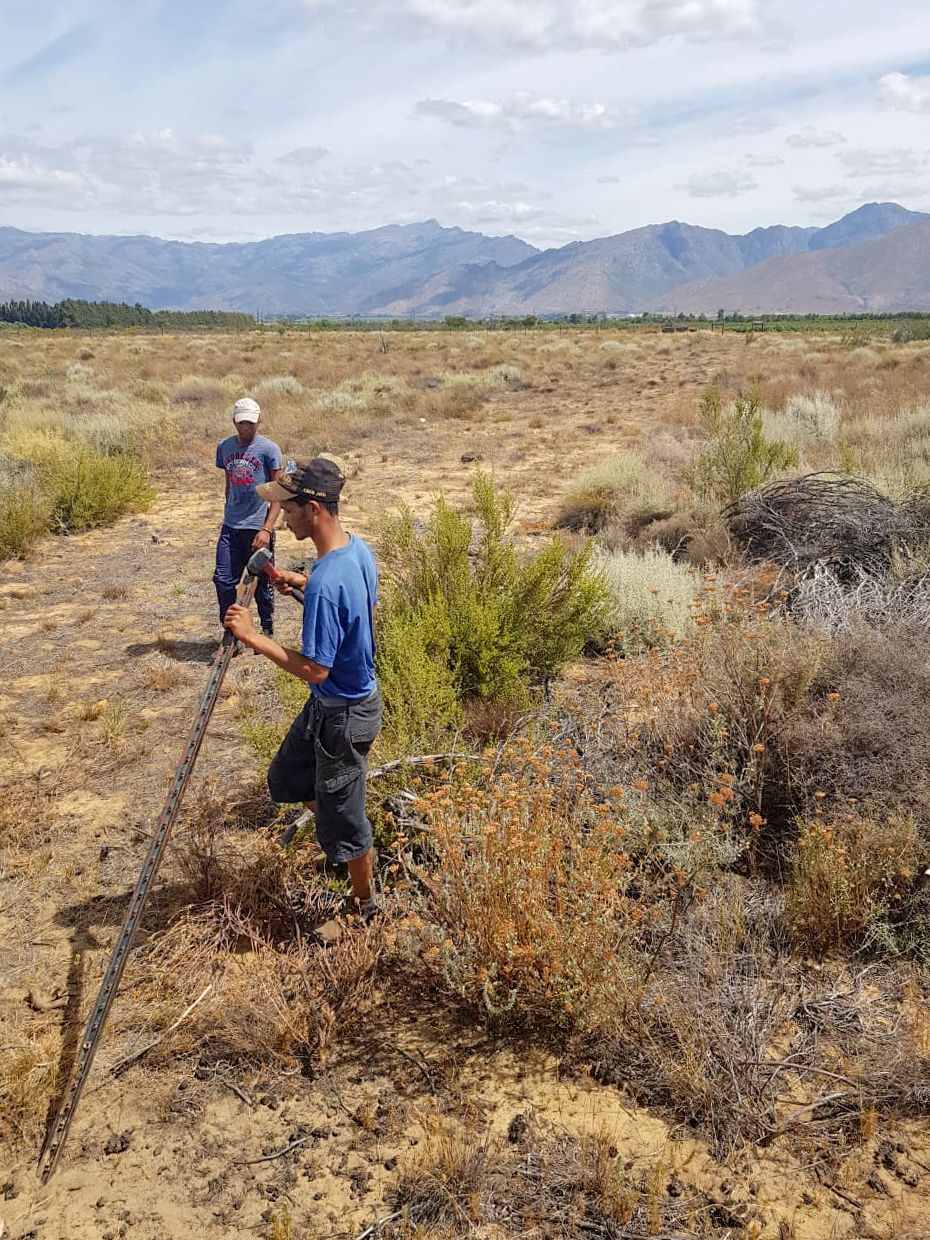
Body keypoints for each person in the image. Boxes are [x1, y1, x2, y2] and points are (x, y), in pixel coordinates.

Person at [223, 457, 382, 927]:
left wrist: (255, 638)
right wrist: (300, 583)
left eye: (288, 509)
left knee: (346, 821)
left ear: (313, 508)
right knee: (288, 779)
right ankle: (345, 842)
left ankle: (363, 905)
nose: (282, 518)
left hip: (343, 715)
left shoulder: (329, 583)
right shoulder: (355, 552)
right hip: (334, 707)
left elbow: (315, 668)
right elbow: (362, 609)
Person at [214, 397, 282, 638]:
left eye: (251, 423)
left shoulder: (269, 450)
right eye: (242, 423)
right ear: (234, 421)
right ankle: (231, 629)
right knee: (223, 580)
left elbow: (277, 493)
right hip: (231, 526)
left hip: (257, 528)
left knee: (262, 582)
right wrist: (229, 511)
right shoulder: (225, 447)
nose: (246, 427)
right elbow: (228, 484)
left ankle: (267, 627)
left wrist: (266, 529)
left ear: (258, 422)